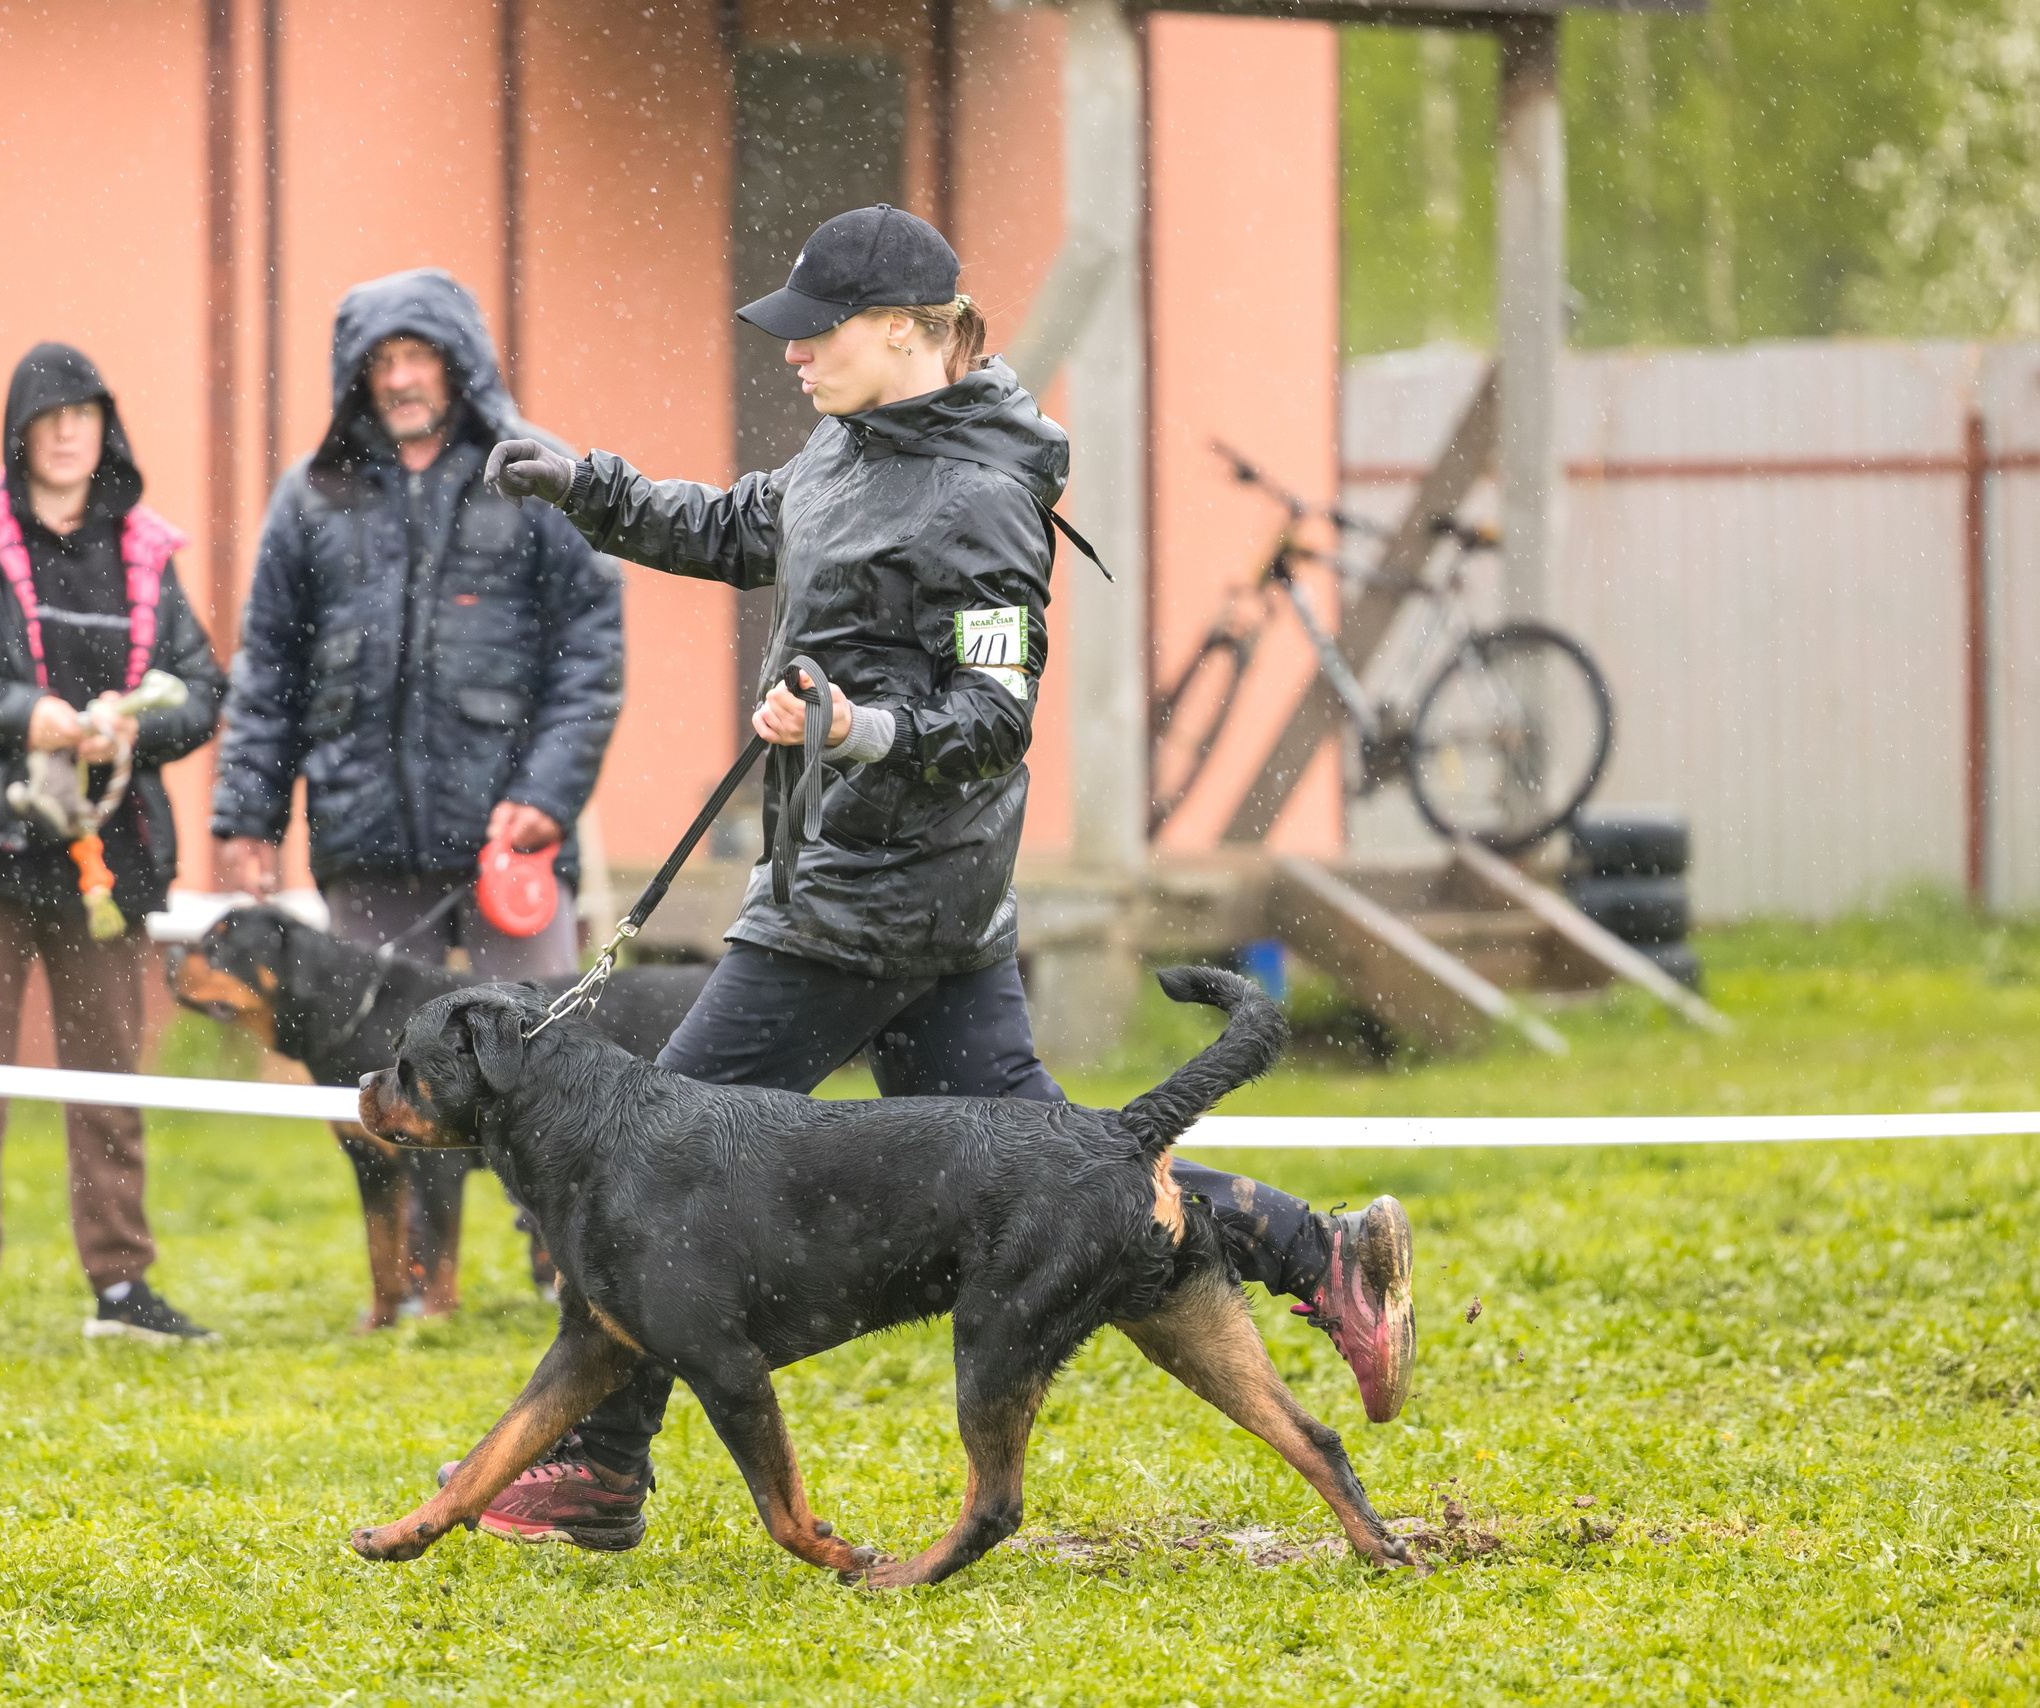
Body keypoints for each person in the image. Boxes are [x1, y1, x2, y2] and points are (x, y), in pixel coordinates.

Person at [467, 204, 1418, 1551]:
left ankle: (599, 1466)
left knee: (648, 1177)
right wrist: (588, 487)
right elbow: (742, 527)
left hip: (871, 908)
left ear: (909, 332)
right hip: (902, 901)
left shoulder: (981, 499)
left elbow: (992, 715)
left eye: (818, 331)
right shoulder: (847, 446)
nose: (792, 353)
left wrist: (855, 727)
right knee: (1070, 1177)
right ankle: (1318, 1253)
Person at [209, 269, 624, 1322]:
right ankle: (413, 1283)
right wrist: (248, 816)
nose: (399, 379)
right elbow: (267, 670)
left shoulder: (532, 472)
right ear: (357, 378)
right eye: (380, 362)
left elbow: (590, 655)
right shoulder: (312, 496)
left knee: (546, 1061)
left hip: (511, 842)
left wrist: (547, 794)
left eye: (418, 357)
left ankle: (570, 1266)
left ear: (458, 364)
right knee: (388, 1078)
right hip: (364, 837)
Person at [0, 342, 227, 1350]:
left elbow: (202, 690)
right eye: (51, 415)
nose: (70, 432)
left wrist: (132, 732)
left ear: (106, 430)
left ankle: (120, 1288)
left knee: (108, 1082)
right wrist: (20, 714)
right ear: (19, 432)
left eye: (86, 414)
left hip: (104, 860)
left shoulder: (146, 554)